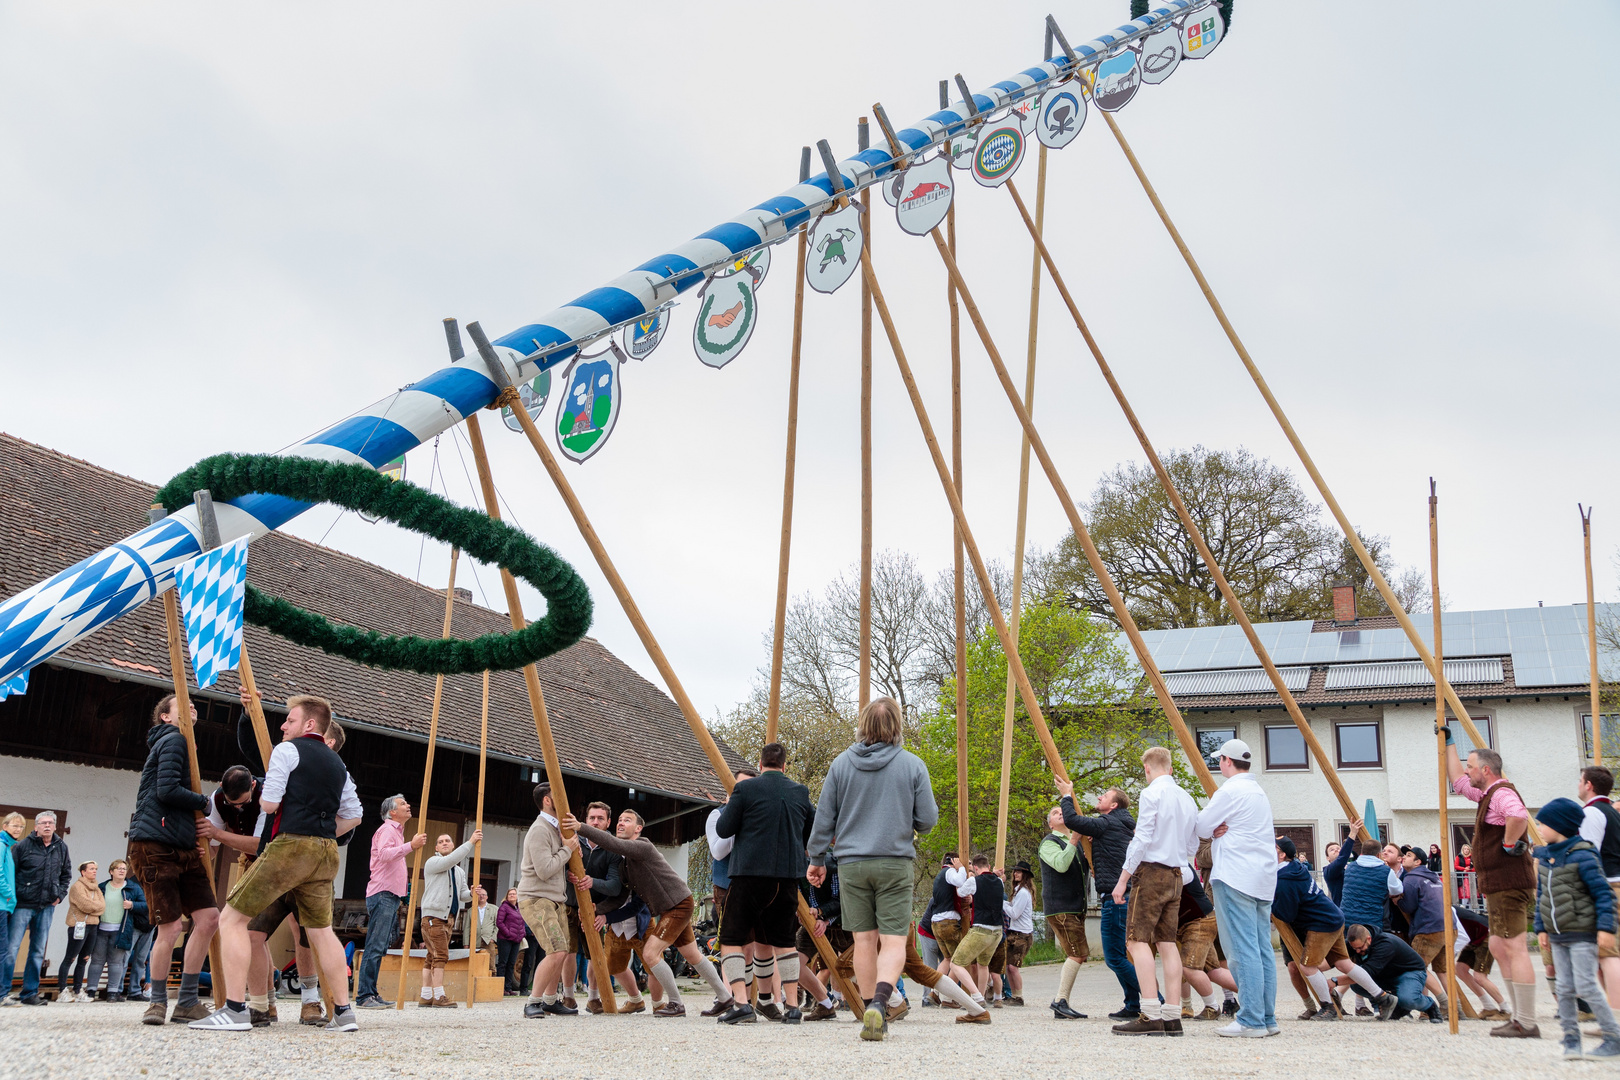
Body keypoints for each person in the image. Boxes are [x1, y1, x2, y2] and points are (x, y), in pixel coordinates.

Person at [188, 692, 362, 1032]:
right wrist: (322, 829)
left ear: (309, 724)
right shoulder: (337, 763)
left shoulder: (287, 750)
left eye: (290, 720)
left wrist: (282, 806)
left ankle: (236, 1009)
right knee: (322, 931)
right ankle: (344, 1013)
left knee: (232, 920)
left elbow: (268, 805)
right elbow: (354, 815)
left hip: (289, 847)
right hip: (325, 851)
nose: (283, 725)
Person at [805, 695, 939, 1042]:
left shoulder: (840, 766)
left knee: (863, 941)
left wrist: (817, 860)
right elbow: (927, 821)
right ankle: (882, 1003)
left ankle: (867, 1009)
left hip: (851, 864)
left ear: (863, 724)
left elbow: (824, 820)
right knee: (893, 941)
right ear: (897, 726)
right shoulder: (912, 765)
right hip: (895, 862)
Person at [566, 804, 731, 1017]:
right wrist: (598, 910)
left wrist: (580, 826)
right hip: (673, 906)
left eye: (627, 820)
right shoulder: (625, 865)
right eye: (620, 820)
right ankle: (725, 998)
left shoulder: (643, 846)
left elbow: (611, 843)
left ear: (638, 829)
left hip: (678, 904)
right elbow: (621, 897)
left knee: (651, 953)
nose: (621, 823)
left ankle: (675, 1003)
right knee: (692, 955)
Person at [128, 694, 219, 1025]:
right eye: (183, 704)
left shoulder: (182, 743)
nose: (192, 707)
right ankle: (156, 1002)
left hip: (180, 845)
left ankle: (188, 1001)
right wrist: (204, 802)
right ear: (166, 717)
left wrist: (191, 834)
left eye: (195, 705)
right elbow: (166, 791)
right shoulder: (173, 739)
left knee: (208, 917)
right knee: (170, 927)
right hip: (155, 845)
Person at [1443, 731, 1539, 1037]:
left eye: (1471, 765)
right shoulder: (1486, 795)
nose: (1467, 770)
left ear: (1486, 770)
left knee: (1514, 947)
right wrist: (1448, 743)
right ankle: (1517, 1016)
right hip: (1499, 884)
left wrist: (1510, 843)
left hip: (1510, 882)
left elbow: (1519, 815)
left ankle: (1526, 1022)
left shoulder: (1501, 793)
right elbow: (1458, 781)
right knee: (1498, 945)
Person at [713, 742, 815, 1025]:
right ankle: (793, 1007)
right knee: (783, 942)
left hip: (749, 875)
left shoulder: (744, 789)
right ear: (785, 766)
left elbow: (723, 829)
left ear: (760, 765)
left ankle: (742, 1003)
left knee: (731, 940)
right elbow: (813, 830)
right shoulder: (800, 791)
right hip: (786, 878)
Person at [1112, 746, 1199, 1036]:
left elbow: (1142, 838)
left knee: (1137, 941)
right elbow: (1192, 844)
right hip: (1178, 872)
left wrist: (1123, 877)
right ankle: (1173, 1014)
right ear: (1170, 767)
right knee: (1167, 942)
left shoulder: (1151, 794)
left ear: (1148, 769)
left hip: (1152, 872)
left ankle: (1149, 1012)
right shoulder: (1187, 798)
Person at [1196, 738, 1277, 1038]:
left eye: (1220, 760)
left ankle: (1251, 1019)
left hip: (1235, 875)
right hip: (1263, 878)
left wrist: (1216, 830)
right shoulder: (1258, 791)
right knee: (1262, 949)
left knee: (1241, 951)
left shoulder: (1229, 790)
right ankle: (1266, 1017)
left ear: (1226, 761)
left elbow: (1202, 826)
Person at [1532, 797, 1620, 1059]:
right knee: (1565, 988)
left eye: (1543, 823)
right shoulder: (1546, 858)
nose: (1539, 827)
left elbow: (1604, 895)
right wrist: (1541, 928)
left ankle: (1613, 1037)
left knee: (1586, 985)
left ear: (1559, 825)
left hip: (1582, 933)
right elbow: (1542, 897)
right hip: (1558, 935)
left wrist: (1606, 928)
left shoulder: (1584, 855)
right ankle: (1571, 1039)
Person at [1272, 836, 1392, 1020]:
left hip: (1321, 923)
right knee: (1344, 963)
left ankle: (1328, 1007)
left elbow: (1287, 914)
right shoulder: (1294, 868)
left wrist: (1271, 906)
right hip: (1333, 917)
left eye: (1272, 848)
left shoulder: (1285, 878)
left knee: (1308, 966)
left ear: (1281, 855)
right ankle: (1383, 997)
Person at [1056, 780, 1138, 1021]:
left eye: (1104, 796)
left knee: (1114, 957)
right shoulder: (1120, 824)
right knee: (1120, 956)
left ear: (1113, 805)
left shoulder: (1108, 822)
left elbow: (1072, 821)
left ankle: (1156, 999)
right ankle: (1134, 1004)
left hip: (1115, 897)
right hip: (1120, 894)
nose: (1099, 798)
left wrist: (1067, 795)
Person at [514, 783, 585, 1019]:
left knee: (563, 951)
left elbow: (555, 865)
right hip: (536, 899)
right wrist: (566, 851)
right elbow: (544, 870)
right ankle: (532, 1003)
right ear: (547, 800)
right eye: (558, 796)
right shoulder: (540, 830)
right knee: (555, 951)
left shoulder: (555, 829)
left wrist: (572, 856)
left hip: (554, 899)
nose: (564, 799)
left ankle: (550, 1000)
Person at [354, 794, 426, 1008]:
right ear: (392, 811)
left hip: (389, 894)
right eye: (403, 803)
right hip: (382, 893)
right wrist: (410, 846)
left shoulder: (395, 832)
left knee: (380, 945)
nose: (408, 805)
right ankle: (364, 995)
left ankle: (371, 992)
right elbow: (385, 855)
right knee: (375, 945)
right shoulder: (387, 830)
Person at [705, 768, 762, 1009]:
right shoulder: (717, 815)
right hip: (727, 887)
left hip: (755, 885)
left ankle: (745, 998)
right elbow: (718, 851)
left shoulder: (760, 815)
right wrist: (736, 820)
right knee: (731, 942)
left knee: (750, 947)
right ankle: (729, 997)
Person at [566, 801, 627, 1014]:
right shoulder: (573, 839)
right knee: (568, 952)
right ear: (585, 820)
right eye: (592, 818)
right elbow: (557, 865)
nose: (595, 822)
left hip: (596, 908)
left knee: (595, 953)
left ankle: (593, 998)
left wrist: (593, 882)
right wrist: (566, 873)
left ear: (608, 822)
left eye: (600, 819)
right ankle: (568, 997)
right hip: (570, 904)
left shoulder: (612, 848)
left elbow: (614, 886)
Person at [1038, 804, 1091, 1020]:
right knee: (1077, 953)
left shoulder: (1078, 843)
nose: (1060, 813)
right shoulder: (1049, 843)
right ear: (1050, 823)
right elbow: (1060, 865)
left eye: (1062, 811)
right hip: (1060, 906)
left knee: (1079, 953)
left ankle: (1062, 1001)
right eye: (1054, 813)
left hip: (1075, 906)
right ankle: (1060, 1000)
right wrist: (1074, 840)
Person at [417, 830, 480, 1007]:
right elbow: (448, 861)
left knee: (432, 956)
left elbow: (462, 894)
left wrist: (473, 893)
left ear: (452, 845)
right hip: (433, 917)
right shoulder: (433, 862)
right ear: (436, 847)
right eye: (441, 841)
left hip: (449, 919)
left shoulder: (459, 871)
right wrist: (470, 843)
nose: (444, 843)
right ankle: (439, 996)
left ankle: (426, 995)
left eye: (448, 841)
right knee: (441, 956)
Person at [1577, 766, 1620, 1012]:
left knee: (1608, 954)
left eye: (1580, 780)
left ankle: (1614, 1019)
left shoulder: (1592, 813)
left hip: (1608, 885)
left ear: (1589, 785)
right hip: (1615, 881)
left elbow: (1588, 854)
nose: (1579, 784)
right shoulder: (1613, 812)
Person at [1345, 924, 1443, 1023]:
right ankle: (1396, 1006)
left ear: (1369, 939)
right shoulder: (1355, 943)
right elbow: (1335, 958)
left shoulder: (1385, 943)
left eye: (1360, 948)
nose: (1357, 951)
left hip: (1409, 973)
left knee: (1408, 1000)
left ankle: (1429, 1006)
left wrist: (1334, 981)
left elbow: (1366, 973)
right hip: (1387, 976)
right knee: (1356, 985)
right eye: (1354, 949)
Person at [945, 854, 1001, 1025]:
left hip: (981, 929)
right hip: (997, 931)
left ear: (975, 868)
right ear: (989, 866)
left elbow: (961, 892)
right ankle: (981, 1000)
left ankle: (976, 996)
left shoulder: (975, 881)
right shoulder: (999, 881)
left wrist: (966, 875)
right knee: (984, 965)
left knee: (956, 963)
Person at [1395, 845, 1452, 1011]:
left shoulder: (1411, 878)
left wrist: (1398, 901)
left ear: (1418, 861)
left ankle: (1433, 1007)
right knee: (1442, 971)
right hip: (1447, 927)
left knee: (1416, 967)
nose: (1404, 857)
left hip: (1428, 929)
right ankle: (1456, 1008)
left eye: (1409, 855)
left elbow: (1409, 907)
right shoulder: (1433, 877)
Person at [83, 860, 144, 1002]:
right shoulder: (102, 887)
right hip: (101, 929)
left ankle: (112, 992)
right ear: (111, 872)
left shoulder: (132, 888)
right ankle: (91, 990)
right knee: (97, 960)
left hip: (120, 930)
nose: (122, 871)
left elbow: (145, 905)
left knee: (116, 962)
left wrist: (132, 905)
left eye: (124, 869)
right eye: (118, 868)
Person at [57, 859, 103, 1002]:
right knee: (70, 958)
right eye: (91, 869)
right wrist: (96, 907)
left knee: (84, 958)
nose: (94, 871)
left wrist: (95, 907)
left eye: (95, 869)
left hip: (93, 925)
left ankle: (78, 990)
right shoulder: (77, 887)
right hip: (79, 925)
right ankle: (63, 990)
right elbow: (85, 905)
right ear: (83, 872)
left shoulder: (97, 888)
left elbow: (103, 906)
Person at [1002, 861, 1034, 1007]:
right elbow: (1012, 907)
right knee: (1008, 965)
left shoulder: (1023, 893)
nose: (1015, 874)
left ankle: (1019, 996)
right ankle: (1013, 995)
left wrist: (1001, 904)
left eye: (1019, 872)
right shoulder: (1017, 891)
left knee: (1014, 966)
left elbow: (1014, 914)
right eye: (1015, 871)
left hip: (1022, 934)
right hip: (1014, 932)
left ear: (1025, 875)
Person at [0, 812, 20, 1007]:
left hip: (4, 904)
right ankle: (1, 994)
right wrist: (9, 895)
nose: (18, 829)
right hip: (1, 903)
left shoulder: (7, 846)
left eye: (21, 827)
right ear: (5, 826)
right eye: (14, 825)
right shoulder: (1, 846)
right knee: (2, 950)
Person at [496, 888, 525, 995]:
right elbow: (499, 922)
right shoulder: (504, 907)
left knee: (511, 964)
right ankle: (500, 987)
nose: (512, 896)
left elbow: (522, 923)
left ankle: (508, 988)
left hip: (516, 939)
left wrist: (522, 934)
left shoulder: (519, 908)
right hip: (505, 939)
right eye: (510, 894)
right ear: (507, 896)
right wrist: (508, 933)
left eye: (514, 894)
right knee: (503, 963)